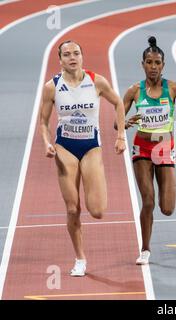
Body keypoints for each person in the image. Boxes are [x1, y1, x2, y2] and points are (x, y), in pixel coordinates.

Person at [39, 40, 126, 276]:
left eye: (76, 53)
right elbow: (44, 122)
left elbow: (118, 102)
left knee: (97, 211)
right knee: (72, 208)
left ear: (82, 56)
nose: (72, 57)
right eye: (66, 54)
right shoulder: (52, 87)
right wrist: (47, 144)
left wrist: (121, 136)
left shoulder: (96, 80)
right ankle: (80, 258)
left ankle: (95, 183)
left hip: (90, 146)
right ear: (60, 60)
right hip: (65, 147)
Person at [123, 36, 176, 265]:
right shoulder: (134, 91)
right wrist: (123, 123)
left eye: (157, 63)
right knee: (148, 201)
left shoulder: (173, 88)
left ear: (163, 65)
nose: (153, 67)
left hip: (164, 148)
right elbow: (117, 121)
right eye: (149, 62)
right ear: (142, 64)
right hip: (142, 148)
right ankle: (145, 249)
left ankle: (168, 184)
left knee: (167, 209)